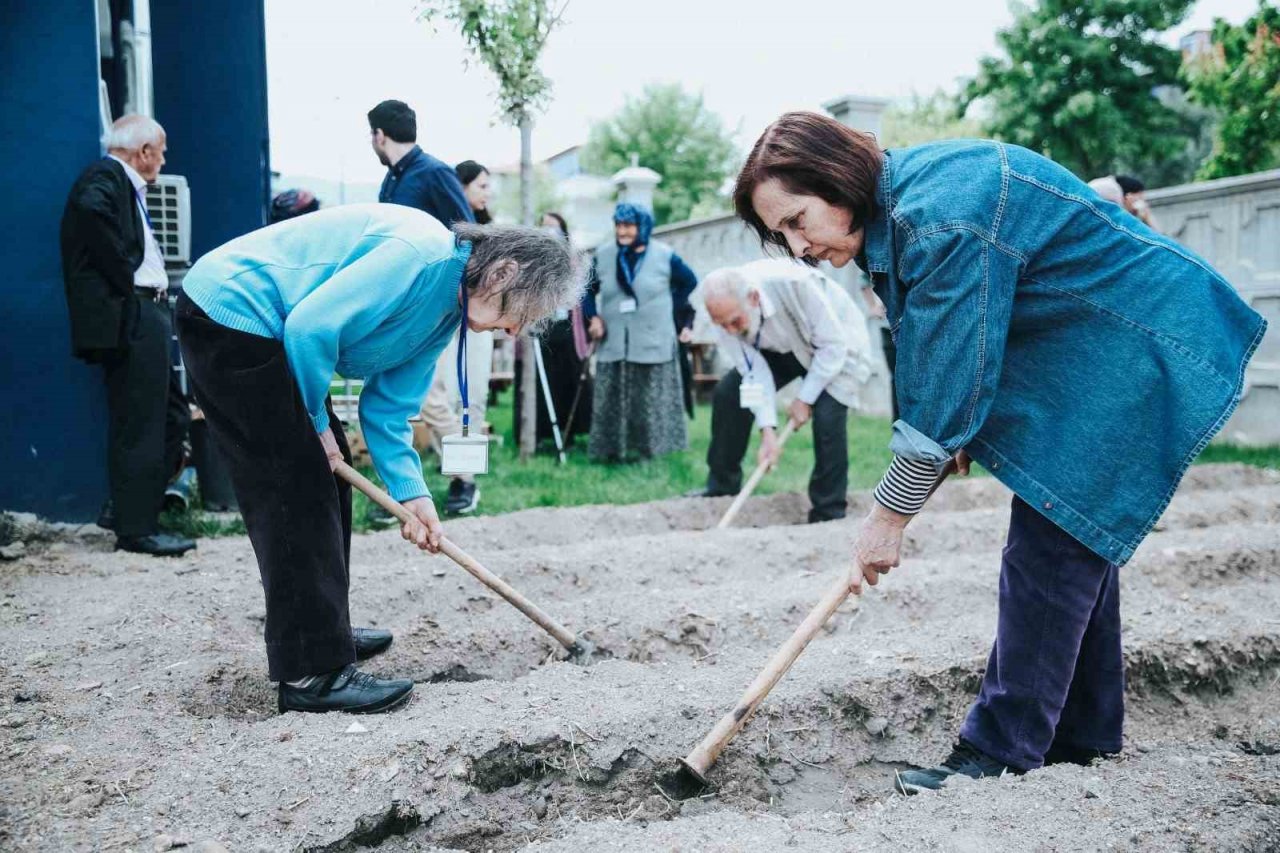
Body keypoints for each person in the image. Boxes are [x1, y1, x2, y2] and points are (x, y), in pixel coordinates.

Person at [734, 112, 1265, 792]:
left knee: (1049, 542)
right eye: (781, 235)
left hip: (1139, 341)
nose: (798, 246)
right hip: (1105, 348)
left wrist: (889, 515)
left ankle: (1000, 750)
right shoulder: (904, 211)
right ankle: (1083, 737)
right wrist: (946, 436)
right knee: (1075, 536)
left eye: (797, 221)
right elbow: (938, 349)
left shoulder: (940, 216)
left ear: (836, 179)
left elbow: (953, 374)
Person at [175, 204, 581, 714]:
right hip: (230, 315)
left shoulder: (447, 312)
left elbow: (388, 412)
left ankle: (326, 630)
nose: (516, 331)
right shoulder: (419, 255)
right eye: (523, 313)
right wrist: (316, 429)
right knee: (295, 486)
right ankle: (310, 674)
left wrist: (415, 496)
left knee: (329, 478)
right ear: (504, 272)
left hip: (272, 332)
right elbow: (309, 329)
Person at [60, 114, 194, 557]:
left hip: (146, 313)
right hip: (135, 313)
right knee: (142, 424)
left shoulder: (118, 181)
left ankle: (128, 509)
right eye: (162, 150)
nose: (164, 158)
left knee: (171, 416)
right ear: (143, 153)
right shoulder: (105, 175)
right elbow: (89, 210)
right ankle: (137, 530)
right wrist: (127, 271)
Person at [690, 260, 874, 522]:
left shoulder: (795, 285)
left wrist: (804, 399)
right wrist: (768, 430)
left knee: (827, 416)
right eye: (723, 325)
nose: (730, 331)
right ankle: (721, 488)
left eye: (734, 321)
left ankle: (828, 510)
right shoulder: (725, 317)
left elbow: (833, 347)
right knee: (729, 393)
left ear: (753, 298)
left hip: (836, 346)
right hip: (781, 348)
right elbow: (754, 373)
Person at [368, 99, 479, 514]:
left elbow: (469, 233)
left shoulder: (433, 173)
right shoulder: (392, 182)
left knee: (428, 397)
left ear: (379, 135)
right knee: (386, 396)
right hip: (394, 306)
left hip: (431, 305)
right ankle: (397, 491)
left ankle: (465, 481)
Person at [584, 203, 698, 461]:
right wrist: (593, 318)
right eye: (619, 225)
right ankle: (612, 452)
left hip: (653, 338)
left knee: (649, 399)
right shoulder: (603, 255)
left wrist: (671, 308)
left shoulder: (665, 255)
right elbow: (586, 291)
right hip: (614, 341)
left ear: (642, 226)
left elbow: (689, 282)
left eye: (629, 225)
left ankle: (655, 451)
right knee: (613, 397)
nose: (622, 231)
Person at [514, 212, 594, 447]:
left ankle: (567, 433)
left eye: (555, 228)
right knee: (538, 382)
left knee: (564, 381)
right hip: (538, 326)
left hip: (565, 328)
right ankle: (535, 434)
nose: (550, 232)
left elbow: (579, 294)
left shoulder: (574, 260)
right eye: (545, 227)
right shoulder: (529, 259)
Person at [455, 160, 493, 224]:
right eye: (482, 186)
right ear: (462, 186)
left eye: (487, 188)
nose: (488, 194)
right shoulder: (446, 224)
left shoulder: (483, 224)